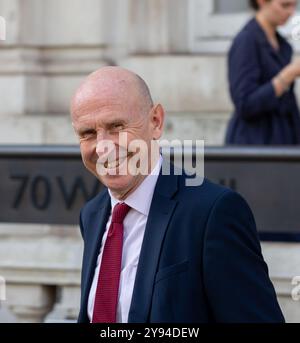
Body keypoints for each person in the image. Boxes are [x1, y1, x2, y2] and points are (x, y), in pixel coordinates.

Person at [71, 66, 284, 323]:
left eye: (117, 126)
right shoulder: (92, 215)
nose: (103, 147)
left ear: (156, 122)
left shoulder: (214, 213)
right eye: (88, 133)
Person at [225, 0, 300, 145]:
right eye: (285, 5)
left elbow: (289, 105)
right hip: (254, 145)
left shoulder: (283, 45)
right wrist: (287, 75)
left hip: (284, 142)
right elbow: (245, 104)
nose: (291, 12)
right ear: (262, 2)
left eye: (294, 5)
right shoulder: (246, 41)